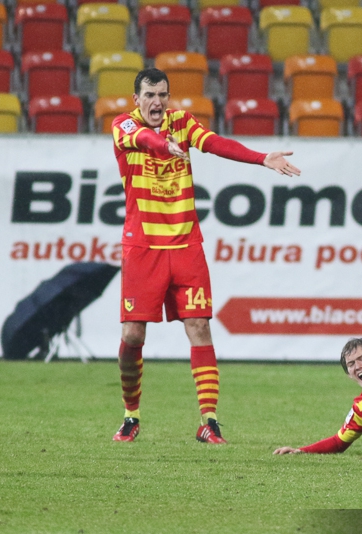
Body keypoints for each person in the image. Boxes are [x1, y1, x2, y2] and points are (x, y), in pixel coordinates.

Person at [110, 68, 300, 444]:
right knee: (132, 334)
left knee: (199, 326)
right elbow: (143, 138)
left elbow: (215, 143)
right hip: (143, 247)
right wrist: (164, 146)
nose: (157, 102)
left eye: (162, 95)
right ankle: (131, 415)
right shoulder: (124, 125)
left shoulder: (182, 122)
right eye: (149, 95)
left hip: (186, 245)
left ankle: (209, 422)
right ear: (136, 99)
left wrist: (261, 158)